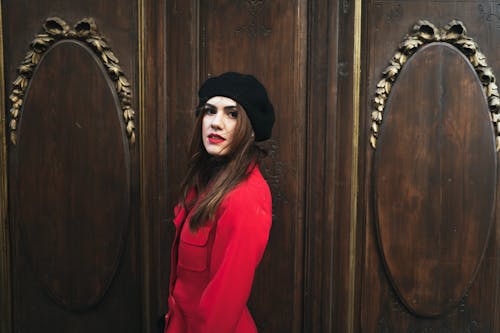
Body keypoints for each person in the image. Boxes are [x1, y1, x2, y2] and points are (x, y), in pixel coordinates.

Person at [164, 72, 275, 333]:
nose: (216, 123)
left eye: (232, 114)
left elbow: (222, 306)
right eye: (210, 111)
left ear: (250, 129)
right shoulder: (204, 184)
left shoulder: (245, 197)